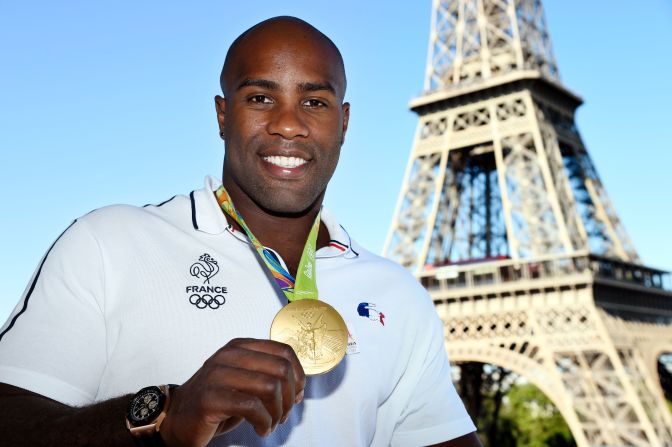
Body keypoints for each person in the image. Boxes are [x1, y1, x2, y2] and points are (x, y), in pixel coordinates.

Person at [0, 16, 481, 447]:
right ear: (222, 115)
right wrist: (167, 414)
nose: (289, 124)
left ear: (344, 122)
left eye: (314, 101)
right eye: (260, 98)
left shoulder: (397, 294)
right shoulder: (107, 244)